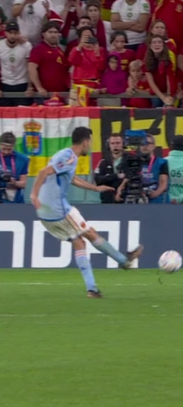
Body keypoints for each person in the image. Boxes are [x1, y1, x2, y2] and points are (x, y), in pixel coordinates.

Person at [29, 127, 143, 298]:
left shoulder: (66, 156)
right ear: (85, 142)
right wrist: (33, 194)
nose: (90, 146)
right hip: (58, 208)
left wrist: (95, 188)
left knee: (79, 242)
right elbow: (43, 172)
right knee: (89, 233)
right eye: (90, 142)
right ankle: (124, 261)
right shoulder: (68, 156)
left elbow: (72, 178)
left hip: (45, 213)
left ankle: (92, 289)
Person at [93, 132, 124, 204]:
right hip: (107, 202)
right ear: (108, 145)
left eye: (118, 143)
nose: (115, 146)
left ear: (123, 144)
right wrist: (116, 176)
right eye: (112, 143)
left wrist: (107, 178)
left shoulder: (129, 161)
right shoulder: (103, 162)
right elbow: (98, 180)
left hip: (125, 201)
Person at [0, 132, 29, 204]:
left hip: (15, 201)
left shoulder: (23, 159)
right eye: (3, 149)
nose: (6, 152)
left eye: (9, 149)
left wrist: (14, 183)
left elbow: (23, 184)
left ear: (14, 146)